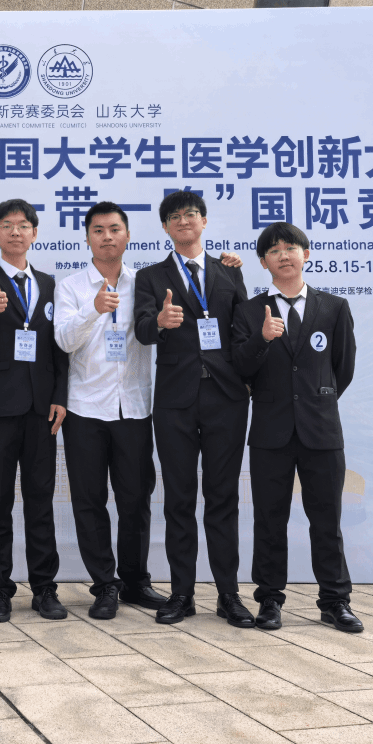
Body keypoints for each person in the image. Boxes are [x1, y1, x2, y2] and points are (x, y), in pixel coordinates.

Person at [231, 222, 361, 633]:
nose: (283, 255)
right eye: (273, 251)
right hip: (270, 433)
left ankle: (335, 601)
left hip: (321, 431)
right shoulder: (249, 311)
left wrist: (317, 400)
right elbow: (240, 368)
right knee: (269, 520)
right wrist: (261, 339)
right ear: (263, 263)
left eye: (290, 248)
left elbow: (343, 367)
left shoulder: (333, 307)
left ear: (305, 254)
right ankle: (269, 599)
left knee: (327, 521)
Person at [134, 190, 254, 627]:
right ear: (165, 227)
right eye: (174, 216)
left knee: (223, 498)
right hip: (175, 401)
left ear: (203, 221)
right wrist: (159, 323)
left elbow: (244, 330)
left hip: (226, 398)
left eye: (190, 214)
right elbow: (142, 329)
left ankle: (228, 595)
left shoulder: (229, 271)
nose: (183, 221)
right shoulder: (150, 276)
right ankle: (181, 594)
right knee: (179, 499)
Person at [0, 199, 69, 622]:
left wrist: (60, 396)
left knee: (40, 501)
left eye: (23, 225)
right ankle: (0, 590)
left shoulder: (50, 284)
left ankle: (44, 589)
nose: (16, 232)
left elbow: (60, 347)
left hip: (42, 408)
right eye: (7, 225)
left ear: (34, 233)